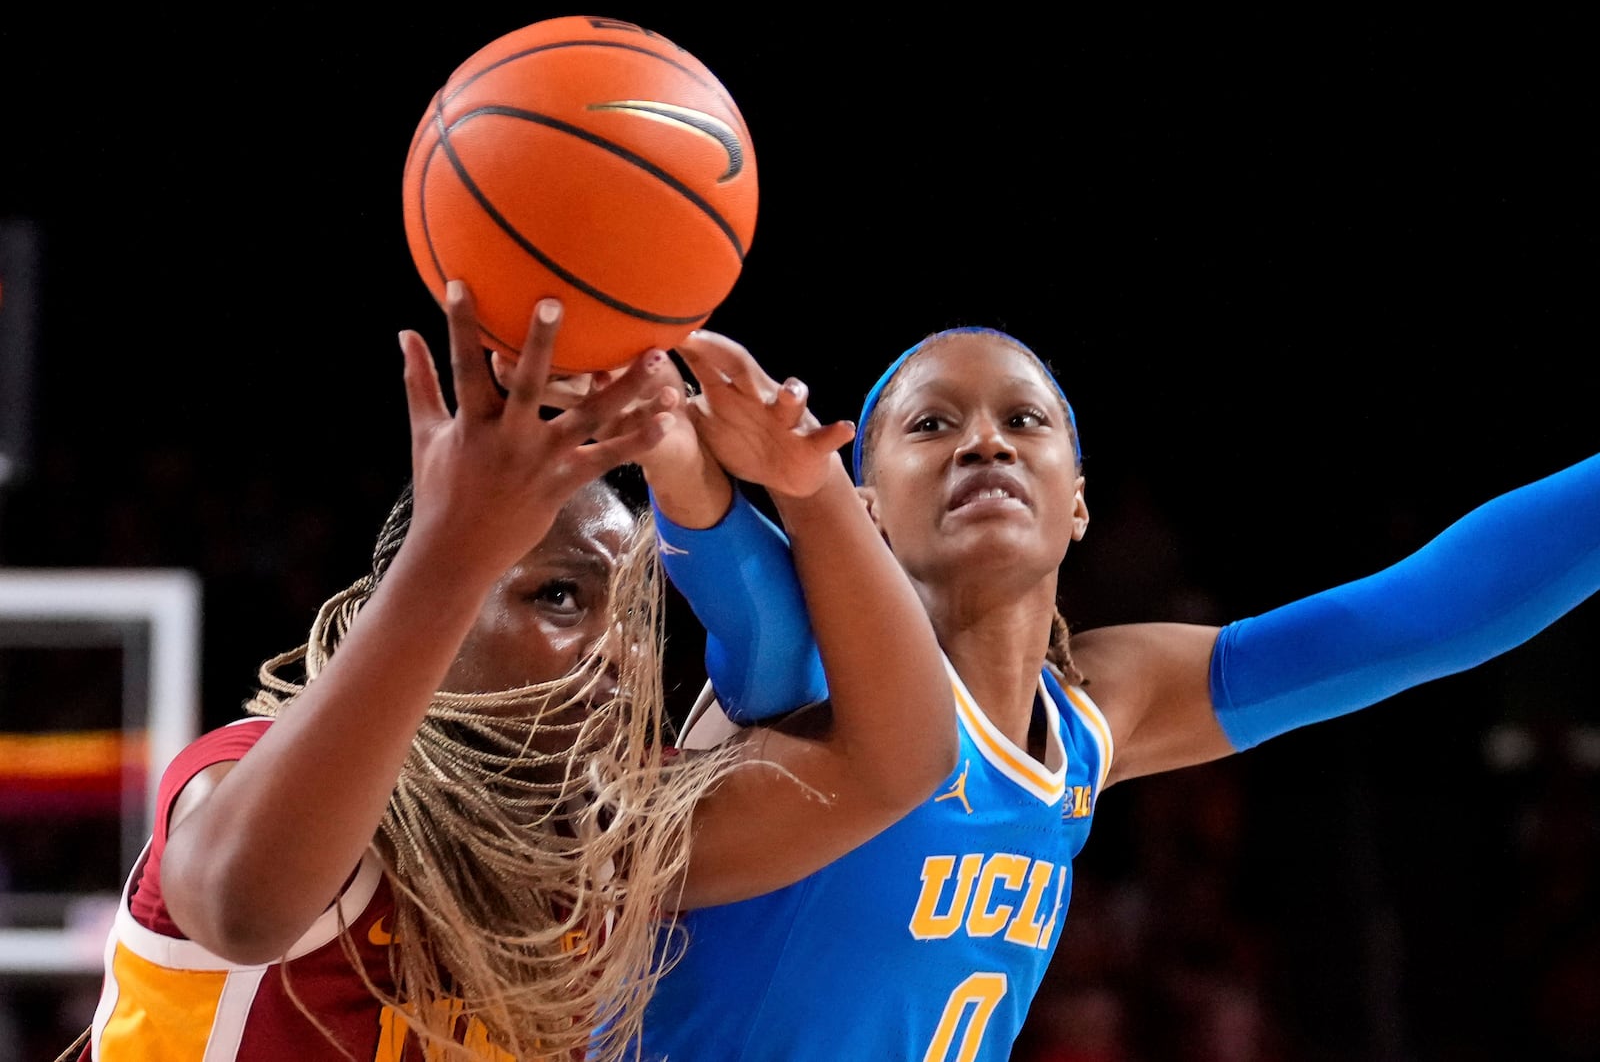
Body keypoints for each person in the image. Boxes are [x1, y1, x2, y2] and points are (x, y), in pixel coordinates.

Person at [632, 324, 1600, 1061]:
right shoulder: (807, 661)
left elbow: (1410, 617)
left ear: (1080, 499)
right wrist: (677, 453)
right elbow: (731, 559)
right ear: (866, 500)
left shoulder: (1097, 713)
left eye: (1024, 420)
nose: (984, 444)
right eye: (932, 424)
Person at [67, 284, 955, 1062]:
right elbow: (244, 910)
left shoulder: (608, 838)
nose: (620, 648)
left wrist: (811, 488)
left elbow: (900, 762)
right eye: (561, 594)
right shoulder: (253, 767)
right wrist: (451, 550)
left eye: (636, 615)